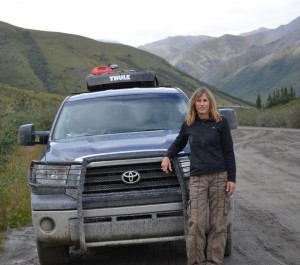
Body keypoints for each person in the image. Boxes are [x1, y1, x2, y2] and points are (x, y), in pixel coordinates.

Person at [161, 87, 236, 265]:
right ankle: (196, 261)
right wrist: (167, 156)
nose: (202, 104)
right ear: (193, 103)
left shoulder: (221, 122)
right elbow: (178, 143)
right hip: (197, 179)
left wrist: (232, 178)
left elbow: (229, 152)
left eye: (205, 101)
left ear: (210, 103)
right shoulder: (188, 124)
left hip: (220, 177)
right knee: (196, 223)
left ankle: (213, 261)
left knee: (218, 223)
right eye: (198, 101)